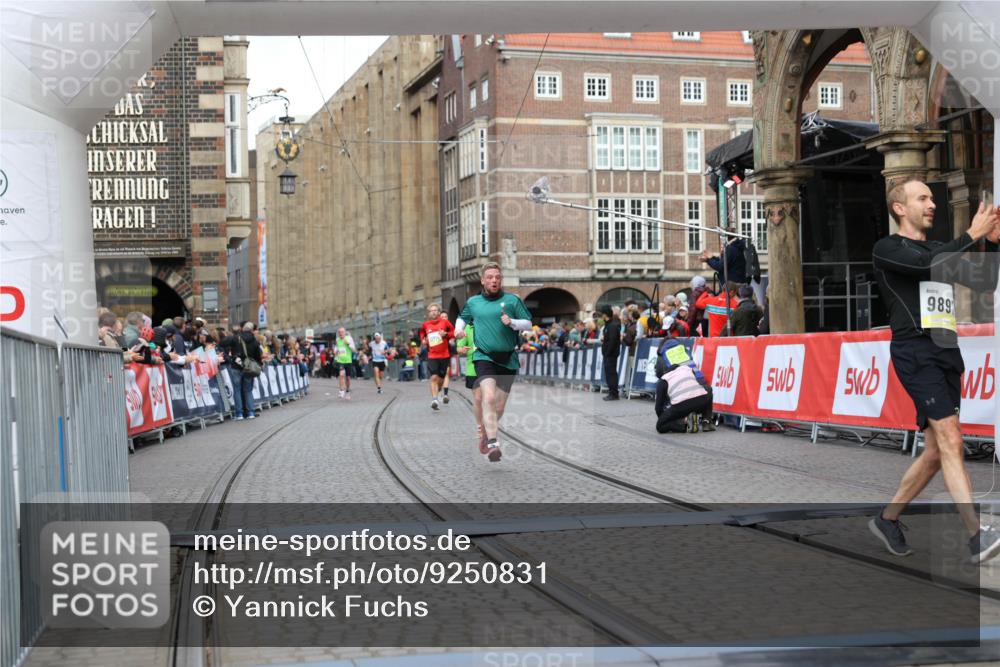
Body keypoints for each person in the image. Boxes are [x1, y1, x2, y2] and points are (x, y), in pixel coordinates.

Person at [870, 179, 1000, 565]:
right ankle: (977, 535)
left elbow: (985, 283)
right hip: (915, 351)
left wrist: (992, 243)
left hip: (946, 350)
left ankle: (887, 518)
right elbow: (927, 265)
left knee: (934, 452)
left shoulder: (937, 249)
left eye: (931, 198)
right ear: (899, 208)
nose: (932, 205)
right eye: (922, 198)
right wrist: (971, 233)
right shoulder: (888, 248)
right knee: (951, 440)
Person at [454, 262, 532, 462]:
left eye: (497, 277)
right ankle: (493, 442)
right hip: (484, 356)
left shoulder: (512, 300)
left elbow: (528, 323)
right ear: (482, 280)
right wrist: (458, 331)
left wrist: (513, 323)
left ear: (501, 279)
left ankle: (487, 433)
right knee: (487, 398)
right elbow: (461, 319)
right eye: (490, 277)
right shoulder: (473, 302)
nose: (494, 280)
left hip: (508, 358)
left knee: (499, 407)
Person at [653, 337, 714, 433]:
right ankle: (707, 422)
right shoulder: (683, 350)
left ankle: (682, 422)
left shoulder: (662, 355)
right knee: (708, 390)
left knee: (662, 423)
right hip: (699, 386)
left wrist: (665, 418)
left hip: (680, 399)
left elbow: (659, 374)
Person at [456, 323, 485, 446]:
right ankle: (480, 427)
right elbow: (459, 347)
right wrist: (461, 350)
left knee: (490, 398)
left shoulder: (488, 324)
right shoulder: (467, 328)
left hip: (489, 366)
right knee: (478, 399)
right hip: (473, 367)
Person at [234, 321, 262, 420]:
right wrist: (259, 364)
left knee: (237, 390)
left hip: (237, 367)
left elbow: (232, 351)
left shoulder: (237, 338)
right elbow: (258, 355)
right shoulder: (254, 341)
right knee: (248, 390)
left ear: (242, 329)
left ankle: (239, 414)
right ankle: (250, 412)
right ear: (252, 330)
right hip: (249, 368)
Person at [599, 304, 621, 401]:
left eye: (602, 314)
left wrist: (607, 352)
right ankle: (611, 392)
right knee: (609, 373)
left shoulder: (612, 326)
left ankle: (614, 393)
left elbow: (613, 341)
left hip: (611, 354)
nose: (601, 316)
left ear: (605, 314)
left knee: (611, 374)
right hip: (608, 354)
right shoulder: (608, 325)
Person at [333, 327, 357, 400]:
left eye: (342, 332)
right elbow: (336, 349)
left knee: (348, 378)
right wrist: (335, 351)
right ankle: (341, 390)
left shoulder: (349, 338)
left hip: (348, 361)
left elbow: (354, 350)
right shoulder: (337, 340)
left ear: (345, 332)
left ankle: (347, 391)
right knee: (341, 374)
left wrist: (348, 344)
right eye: (339, 332)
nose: (341, 334)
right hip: (340, 361)